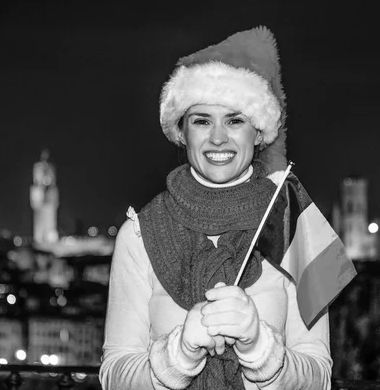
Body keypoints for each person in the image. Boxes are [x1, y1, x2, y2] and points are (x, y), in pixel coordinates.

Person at [99, 26, 355, 390]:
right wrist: (178, 355)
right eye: (202, 121)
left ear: (259, 132)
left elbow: (319, 377)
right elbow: (114, 378)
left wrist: (262, 349)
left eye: (235, 120)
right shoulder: (139, 234)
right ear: (182, 132)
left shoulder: (290, 221)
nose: (218, 138)